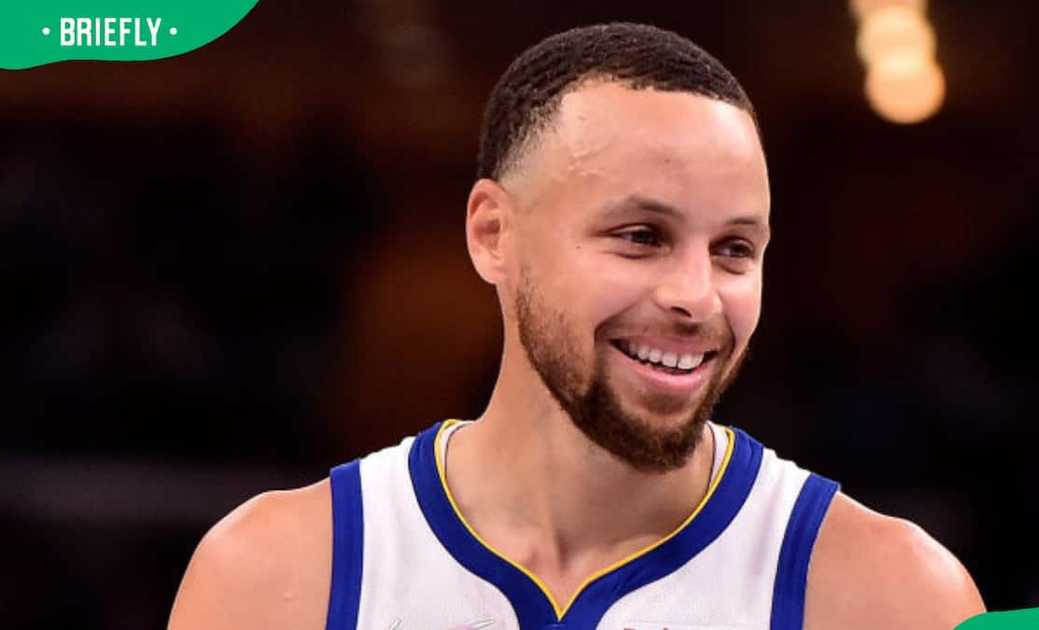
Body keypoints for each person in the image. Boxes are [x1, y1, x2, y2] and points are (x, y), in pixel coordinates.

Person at [168, 22, 986, 630]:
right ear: (493, 234)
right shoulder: (274, 580)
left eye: (736, 248)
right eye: (641, 236)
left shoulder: (894, 597)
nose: (697, 296)